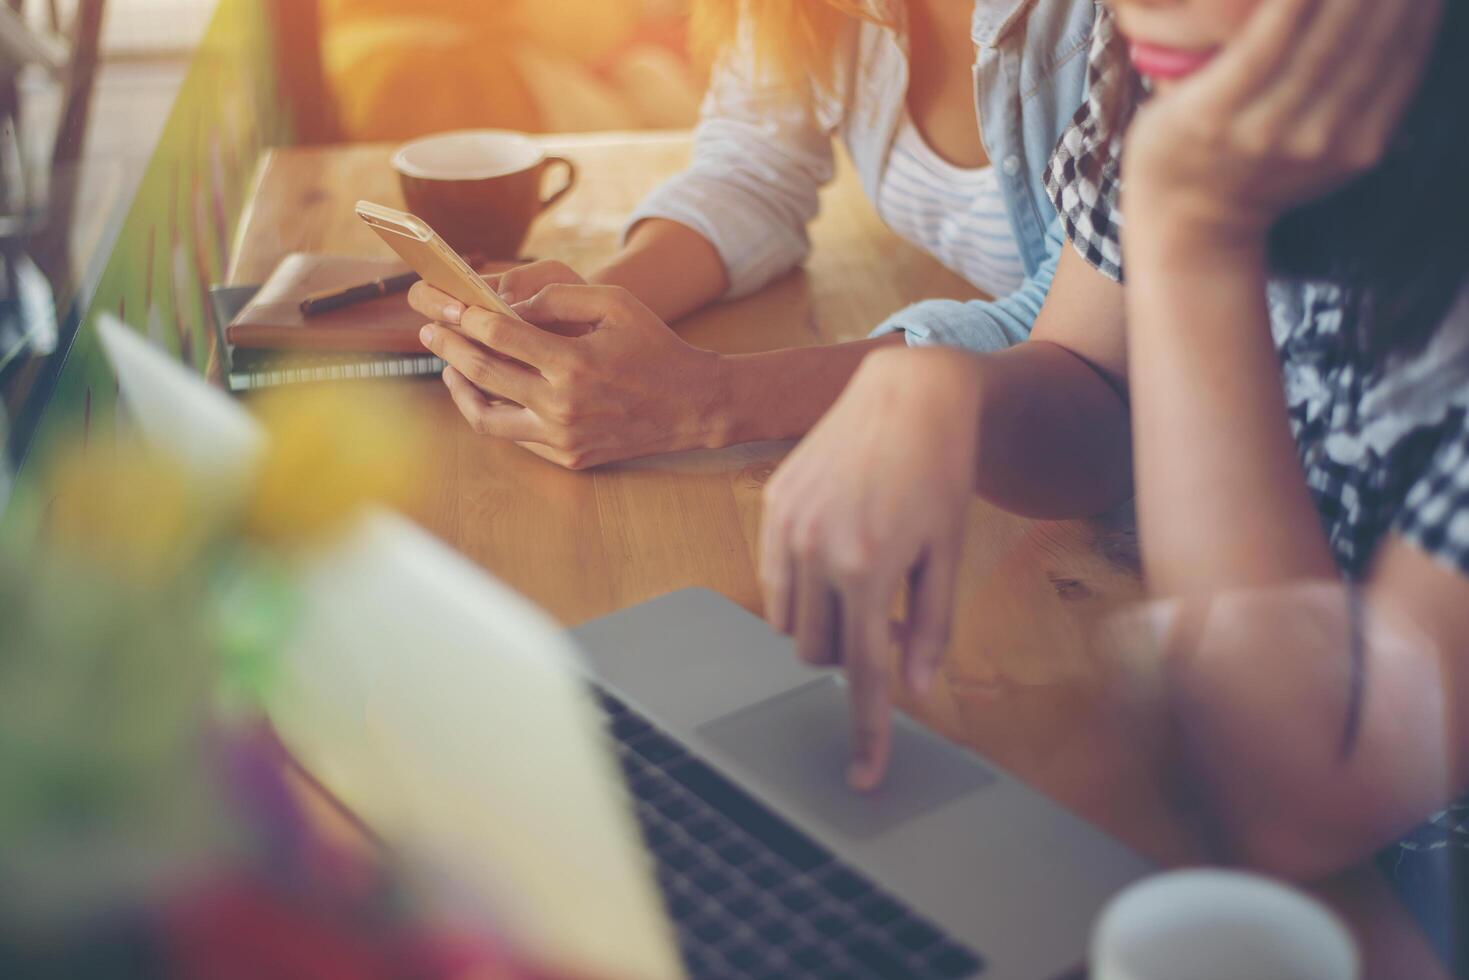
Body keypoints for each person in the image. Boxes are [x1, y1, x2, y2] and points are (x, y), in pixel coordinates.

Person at [760, 0, 1469, 889]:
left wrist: (1187, 230)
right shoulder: (1185, 57)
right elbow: (1093, 382)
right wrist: (941, 387)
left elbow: (1301, 807)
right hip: (1204, 761)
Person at [409, 0, 1097, 469]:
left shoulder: (1133, 23)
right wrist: (579, 309)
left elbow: (1085, 342)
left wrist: (707, 402)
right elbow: (753, 166)